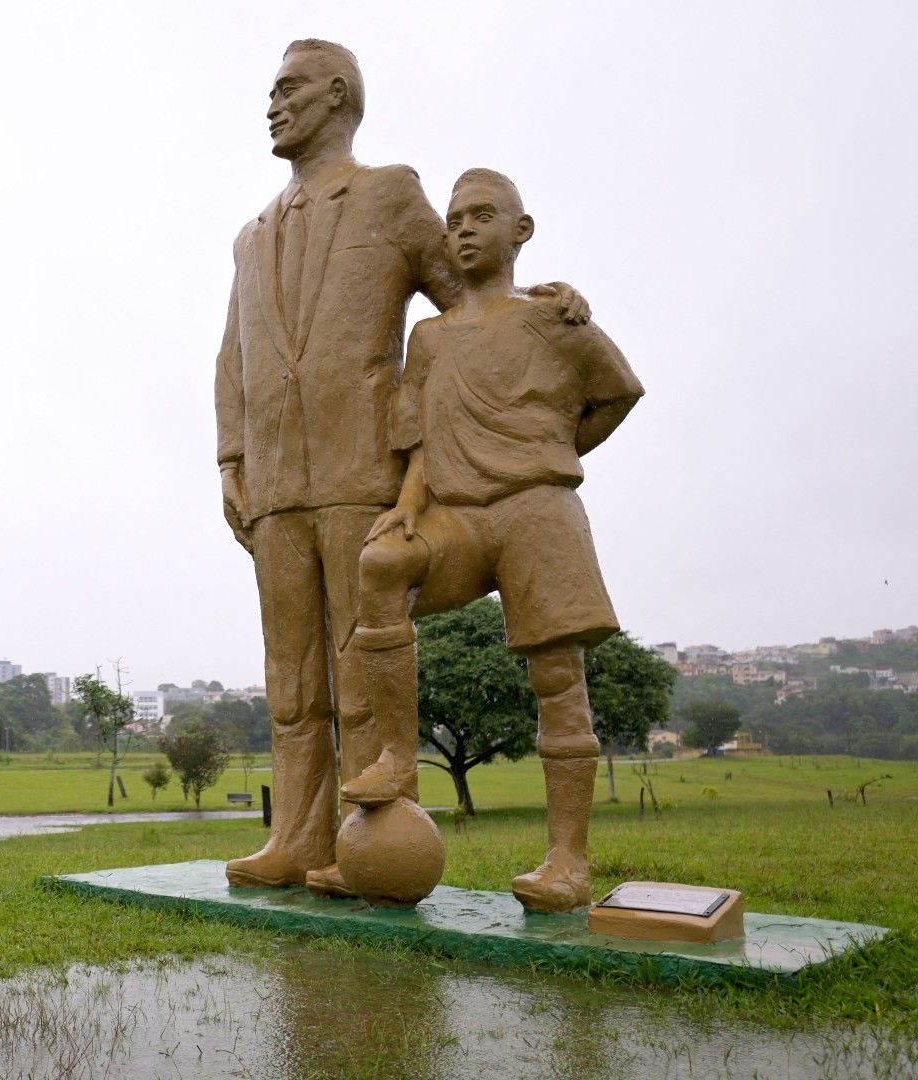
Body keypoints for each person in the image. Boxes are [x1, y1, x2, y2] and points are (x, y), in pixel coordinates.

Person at [215, 39, 586, 894]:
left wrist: (542, 304)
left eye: (288, 89)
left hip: (360, 469)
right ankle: (298, 839)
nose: (272, 105)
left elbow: (467, 301)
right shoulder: (250, 235)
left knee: (360, 661)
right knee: (291, 673)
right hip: (273, 479)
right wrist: (231, 454)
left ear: (337, 95)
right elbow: (232, 353)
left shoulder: (390, 194)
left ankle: (376, 845)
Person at [343, 168, 643, 913]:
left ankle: (567, 862)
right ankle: (397, 759)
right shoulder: (431, 336)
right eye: (454, 220)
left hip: (539, 512)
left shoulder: (553, 319)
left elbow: (620, 393)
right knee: (382, 564)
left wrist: (553, 451)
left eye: (482, 215)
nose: (464, 230)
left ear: (522, 230)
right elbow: (417, 440)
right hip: (457, 516)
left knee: (557, 680)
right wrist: (409, 504)